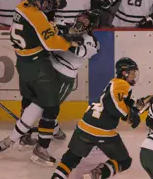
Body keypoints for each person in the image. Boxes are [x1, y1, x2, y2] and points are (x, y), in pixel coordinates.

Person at [0, 0, 84, 166]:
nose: (46, 5)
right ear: (35, 1)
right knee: (51, 106)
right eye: (43, 2)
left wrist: (52, 5)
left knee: (28, 98)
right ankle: (41, 149)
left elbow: (38, 25)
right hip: (38, 66)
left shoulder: (21, 6)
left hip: (22, 63)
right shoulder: (37, 16)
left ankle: (24, 137)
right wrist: (70, 42)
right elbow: (51, 43)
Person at [18, 9, 101, 143]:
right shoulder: (64, 24)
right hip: (47, 68)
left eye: (86, 20)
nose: (81, 20)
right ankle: (26, 134)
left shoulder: (91, 40)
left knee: (48, 107)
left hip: (64, 77)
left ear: (91, 26)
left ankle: (48, 136)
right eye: (81, 17)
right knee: (29, 98)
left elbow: (80, 51)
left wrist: (64, 39)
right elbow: (48, 31)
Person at [51, 57, 141, 179]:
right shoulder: (122, 84)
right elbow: (115, 105)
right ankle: (97, 174)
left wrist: (135, 108)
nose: (133, 75)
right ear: (124, 73)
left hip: (84, 126)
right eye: (131, 73)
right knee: (124, 161)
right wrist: (130, 115)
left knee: (71, 158)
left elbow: (120, 104)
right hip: (101, 130)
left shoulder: (115, 83)